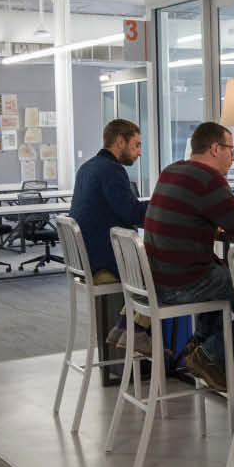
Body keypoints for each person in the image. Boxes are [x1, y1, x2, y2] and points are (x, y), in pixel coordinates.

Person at [144, 122, 234, 392]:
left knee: (222, 275)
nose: (233, 157)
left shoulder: (171, 171)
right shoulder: (209, 179)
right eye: (231, 150)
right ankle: (212, 357)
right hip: (182, 285)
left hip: (157, 280)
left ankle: (201, 345)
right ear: (215, 148)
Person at [71, 120, 153, 349]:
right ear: (120, 142)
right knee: (163, 270)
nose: (139, 152)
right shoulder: (113, 170)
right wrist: (165, 208)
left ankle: (126, 327)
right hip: (106, 263)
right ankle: (136, 330)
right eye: (136, 145)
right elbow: (131, 212)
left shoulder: (87, 168)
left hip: (87, 260)